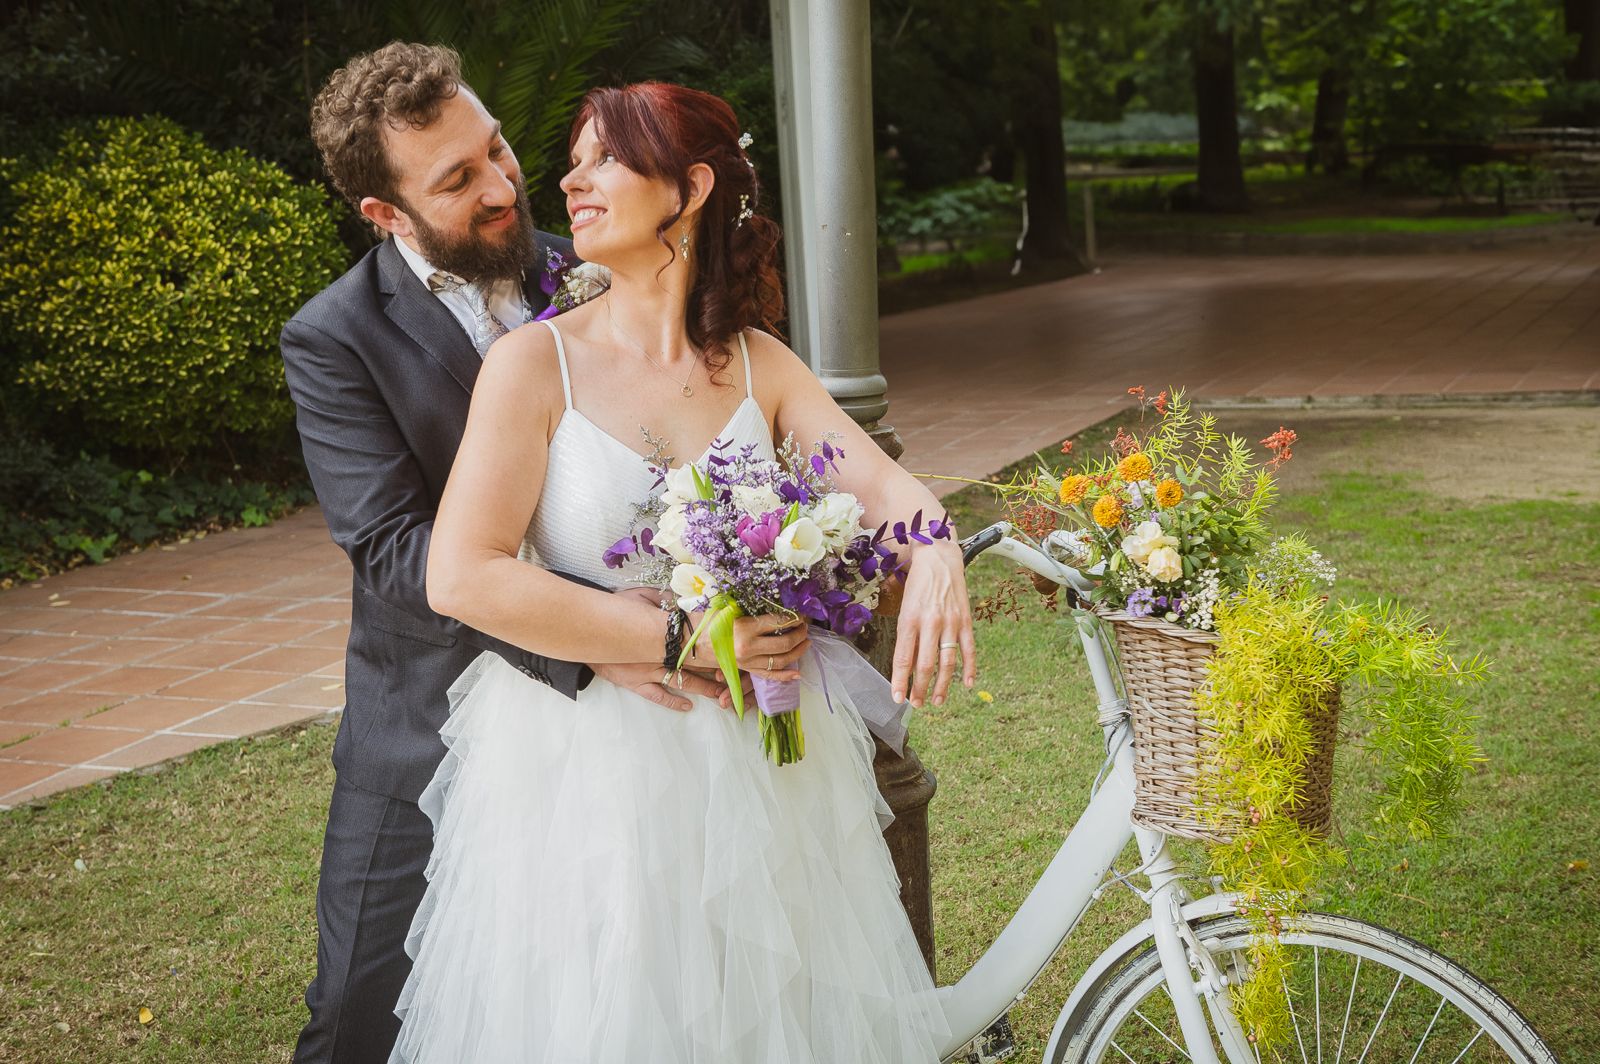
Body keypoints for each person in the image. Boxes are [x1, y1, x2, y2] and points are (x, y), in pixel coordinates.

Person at [389, 82, 975, 1062]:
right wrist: (685, 636)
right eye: (571, 159)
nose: (569, 180)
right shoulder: (534, 365)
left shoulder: (758, 365)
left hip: (764, 770)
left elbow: (882, 486)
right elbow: (462, 575)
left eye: (603, 158)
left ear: (690, 187)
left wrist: (941, 547)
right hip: (586, 772)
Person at [282, 45, 735, 1063]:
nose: (500, 186)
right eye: (456, 179)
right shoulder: (334, 338)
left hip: (632, 736)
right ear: (383, 213)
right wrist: (594, 636)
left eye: (494, 149)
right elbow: (397, 553)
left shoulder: (596, 263)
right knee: (359, 1014)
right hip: (427, 720)